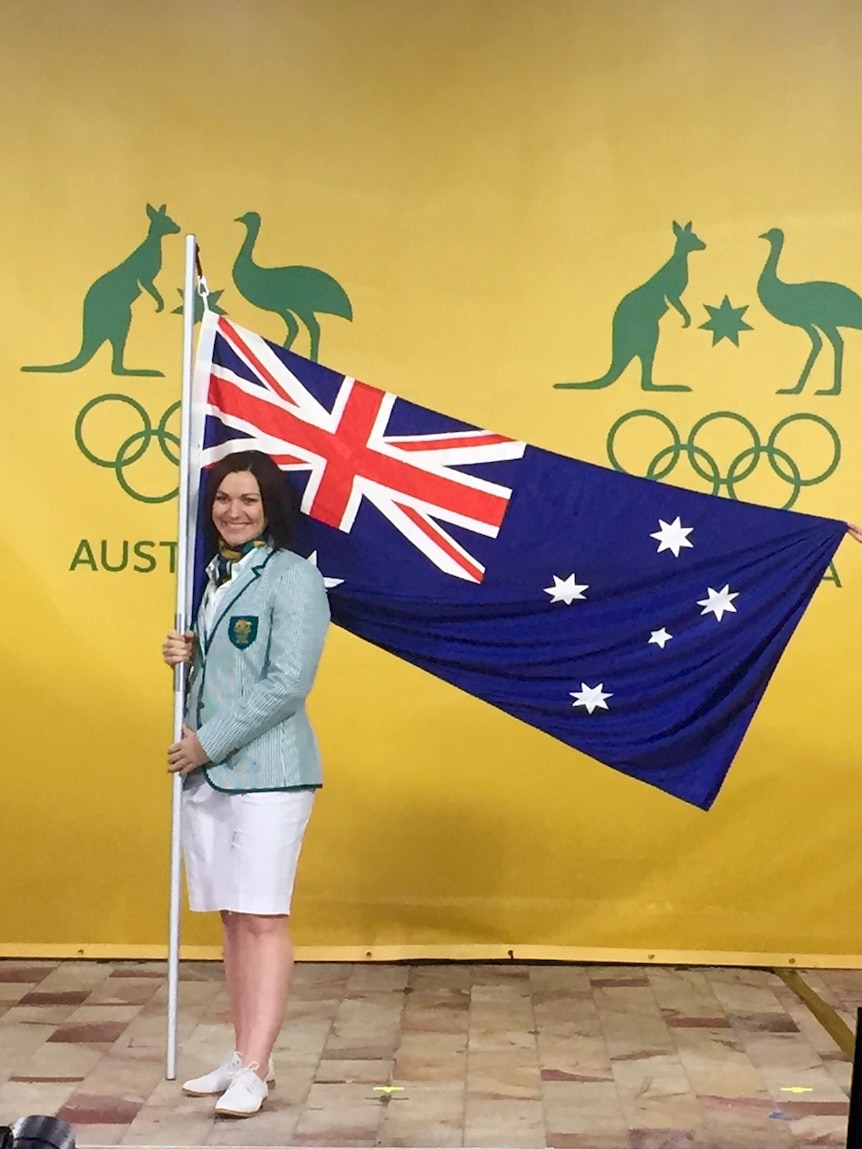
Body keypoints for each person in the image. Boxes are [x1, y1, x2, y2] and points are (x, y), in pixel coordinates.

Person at [162, 449, 330, 1118]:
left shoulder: (292, 579)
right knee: (233, 917)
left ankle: (257, 1067)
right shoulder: (211, 577)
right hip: (213, 774)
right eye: (224, 498)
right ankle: (240, 1052)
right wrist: (188, 656)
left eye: (249, 500)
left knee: (262, 915)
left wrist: (207, 741)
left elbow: (286, 682)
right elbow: (231, 670)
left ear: (272, 509)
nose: (233, 511)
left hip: (269, 774)